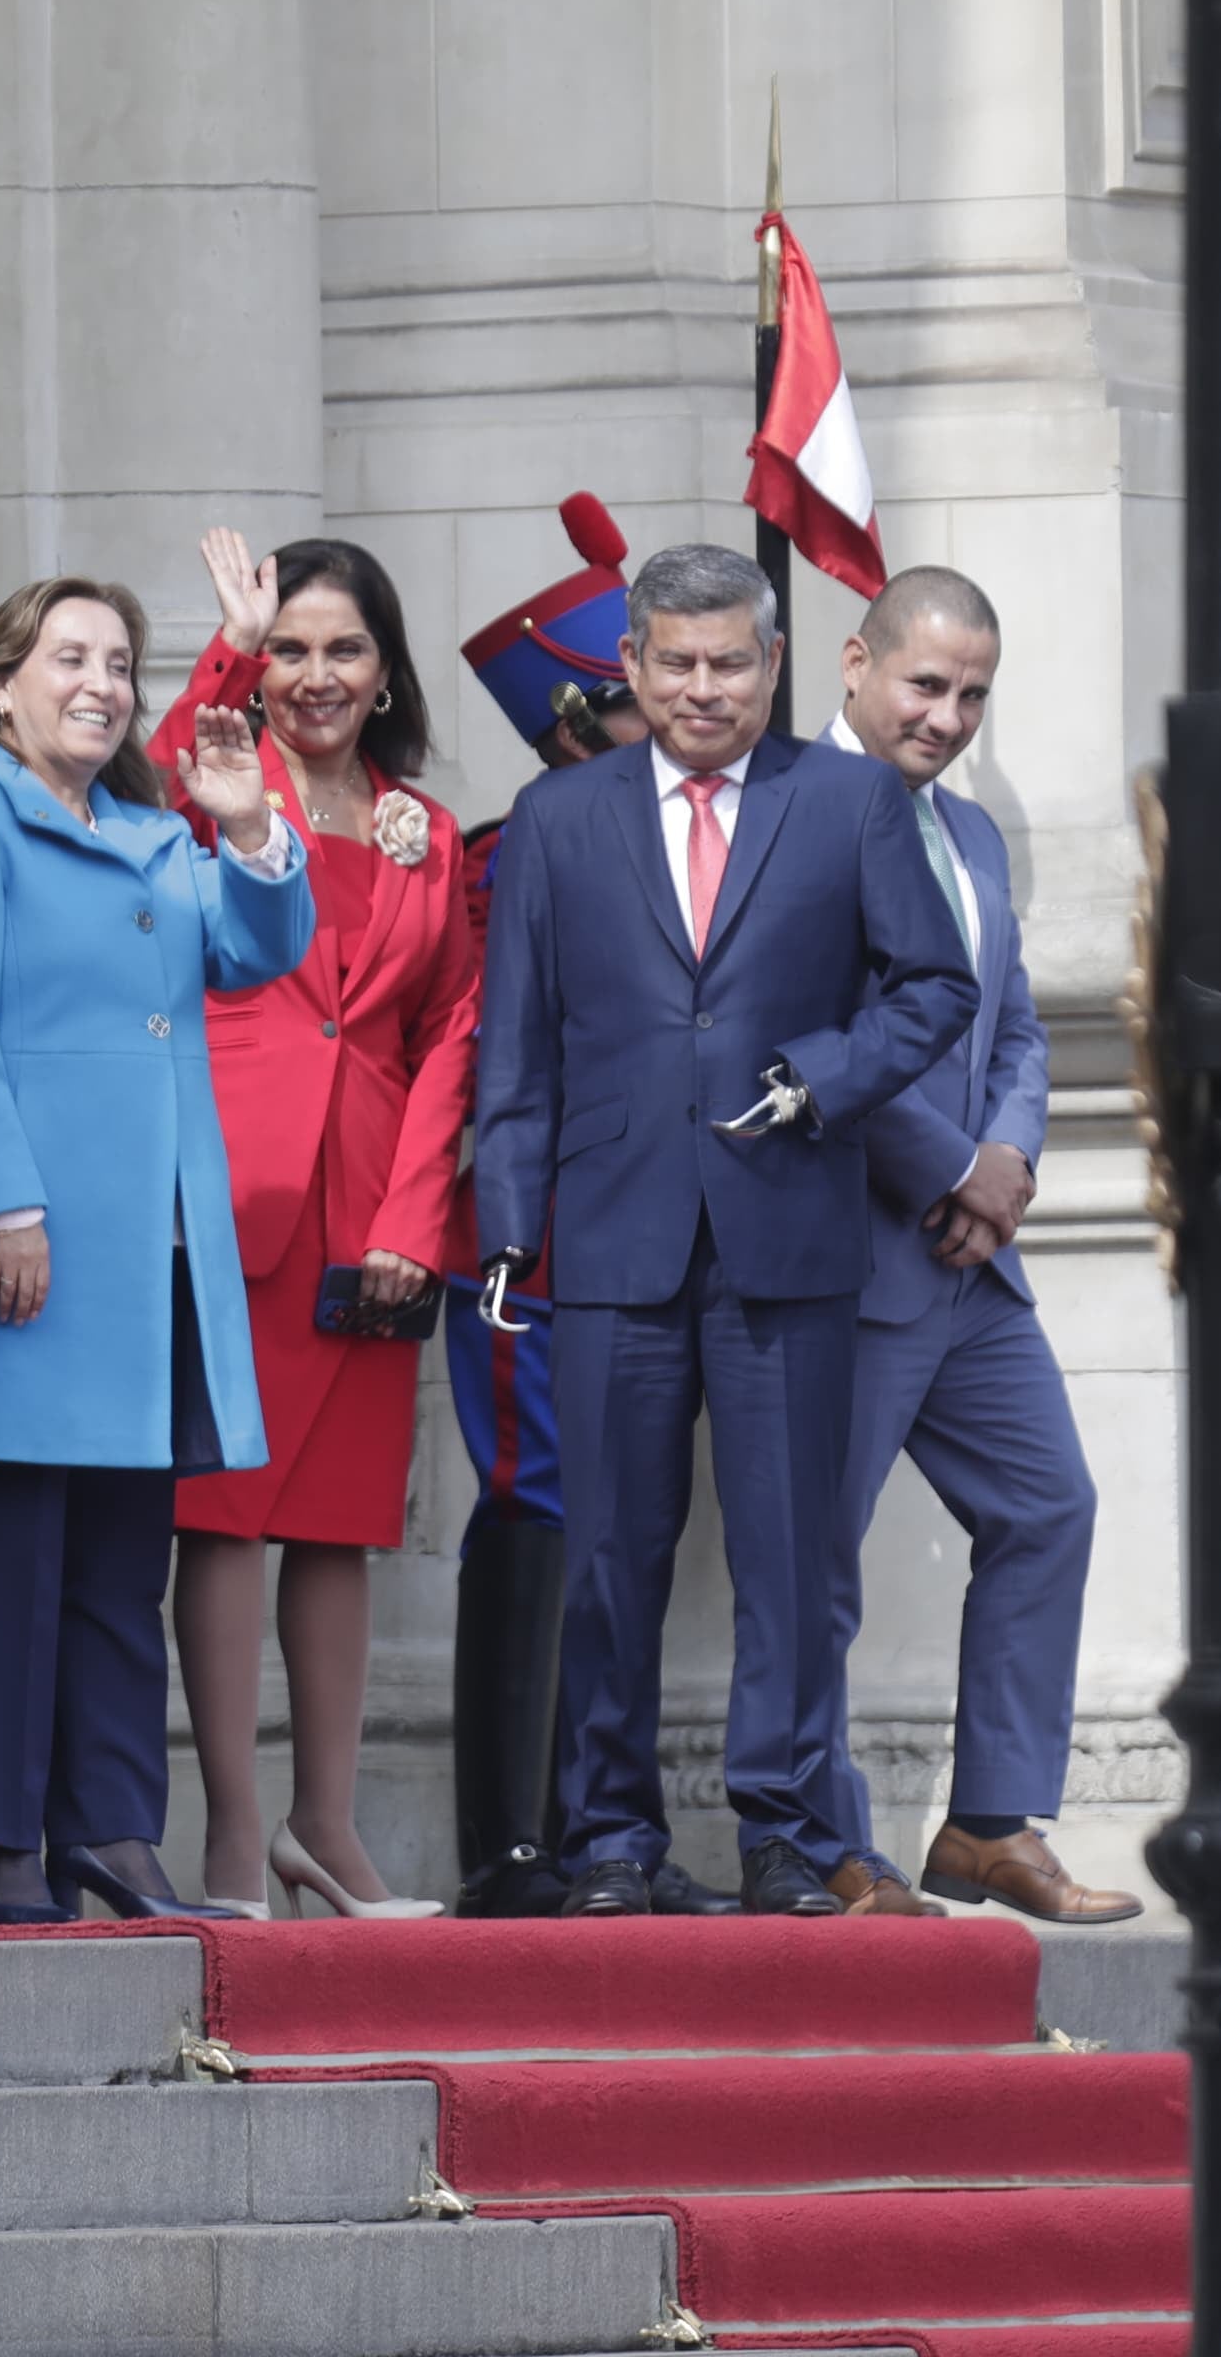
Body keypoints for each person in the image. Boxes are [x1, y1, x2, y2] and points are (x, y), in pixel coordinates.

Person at [472, 542, 974, 1919]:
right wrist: (509, 1229)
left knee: (792, 1554)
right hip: (612, 1233)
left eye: (731, 663)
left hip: (789, 1229)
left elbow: (935, 988)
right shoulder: (558, 818)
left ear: (774, 666)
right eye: (676, 663)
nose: (704, 689)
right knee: (610, 1554)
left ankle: (789, 1837)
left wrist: (825, 1075)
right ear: (629, 666)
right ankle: (614, 1841)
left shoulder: (852, 802)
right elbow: (515, 1050)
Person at [0, 577, 310, 1923]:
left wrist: (252, 831)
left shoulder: (148, 827)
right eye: (70, 656)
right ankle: (0, 1847)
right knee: (12, 1557)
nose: (102, 684)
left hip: (148, 1257)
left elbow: (254, 951)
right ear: (3, 680)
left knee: (125, 1563)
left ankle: (115, 1833)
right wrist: (0, 1203)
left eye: (120, 662)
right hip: (32, 1242)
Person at [147, 530, 470, 1921]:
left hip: (371, 1212)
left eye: (345, 649)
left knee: (338, 1526)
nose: (316, 673)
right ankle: (229, 1843)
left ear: (387, 671)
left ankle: (325, 1832)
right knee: (223, 1515)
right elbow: (167, 749)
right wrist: (226, 640)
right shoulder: (217, 785)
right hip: (233, 1190)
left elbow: (450, 1026)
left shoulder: (425, 829)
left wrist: (417, 1215)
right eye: (292, 649)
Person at [806, 567, 1135, 1925]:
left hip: (970, 1264)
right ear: (854, 666)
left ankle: (990, 1823)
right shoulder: (792, 819)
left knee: (1049, 1504)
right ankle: (826, 1841)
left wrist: (1003, 1166)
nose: (946, 715)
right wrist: (950, 1169)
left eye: (973, 694)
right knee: (812, 1556)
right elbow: (813, 1036)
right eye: (925, 684)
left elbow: (1020, 1032)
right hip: (848, 1255)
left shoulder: (977, 835)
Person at [438, 490, 652, 1915]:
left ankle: (602, 1835)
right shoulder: (512, 858)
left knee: (623, 1518)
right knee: (542, 1501)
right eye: (645, 700)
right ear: (574, 723)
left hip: (644, 1240)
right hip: (534, 1246)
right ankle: (515, 1841)